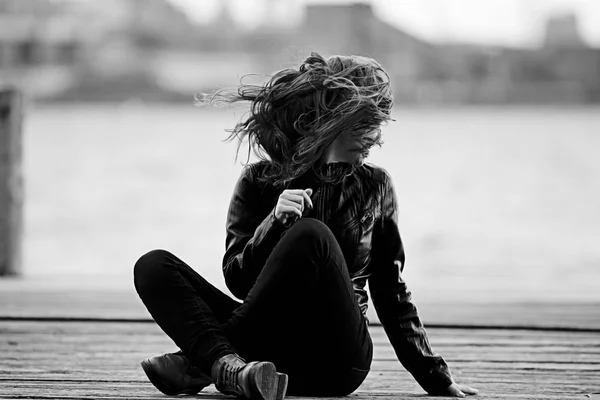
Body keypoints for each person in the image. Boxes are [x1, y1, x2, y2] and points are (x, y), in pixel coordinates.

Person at [133, 52, 479, 399]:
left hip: (337, 361)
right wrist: (273, 224)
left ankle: (202, 365)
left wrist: (436, 377)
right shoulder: (259, 181)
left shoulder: (375, 186)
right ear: (337, 119)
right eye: (369, 122)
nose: (377, 135)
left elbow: (391, 292)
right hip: (266, 359)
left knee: (310, 235)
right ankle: (230, 367)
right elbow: (239, 282)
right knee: (153, 265)